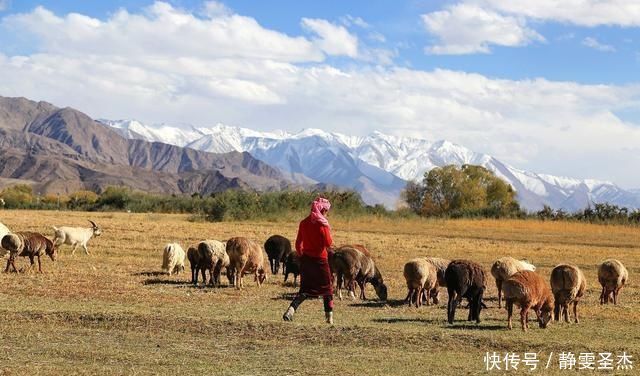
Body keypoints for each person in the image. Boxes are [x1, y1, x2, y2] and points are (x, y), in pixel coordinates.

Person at [282, 197, 334, 324]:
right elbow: (328, 243)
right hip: (321, 260)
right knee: (327, 289)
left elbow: (298, 243)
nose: (326, 213)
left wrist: (302, 256)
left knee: (305, 289)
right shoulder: (323, 225)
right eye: (326, 211)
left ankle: (291, 310)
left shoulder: (303, 223)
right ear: (322, 210)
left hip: (307, 260)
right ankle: (329, 319)